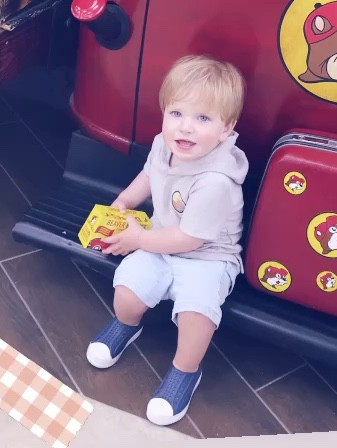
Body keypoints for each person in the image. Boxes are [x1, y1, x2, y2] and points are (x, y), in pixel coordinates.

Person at [85, 55, 248, 427]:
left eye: (203, 119)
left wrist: (139, 238)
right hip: (159, 237)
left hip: (207, 256)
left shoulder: (216, 181)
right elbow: (149, 174)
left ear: (226, 129)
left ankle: (185, 371)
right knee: (126, 290)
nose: (185, 128)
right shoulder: (165, 144)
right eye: (176, 113)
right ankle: (127, 324)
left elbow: (190, 239)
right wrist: (125, 202)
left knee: (197, 314)